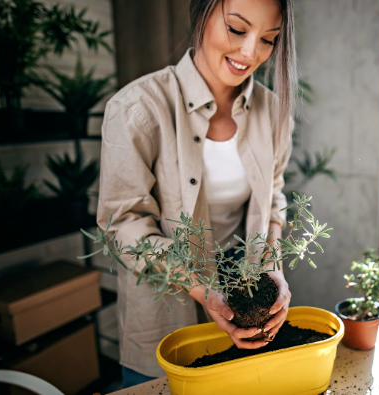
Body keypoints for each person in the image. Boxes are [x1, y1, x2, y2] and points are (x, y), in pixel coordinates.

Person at [96, 0, 297, 388]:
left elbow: (273, 196)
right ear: (201, 14)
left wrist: (272, 265)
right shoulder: (137, 108)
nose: (251, 52)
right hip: (163, 319)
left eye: (269, 39)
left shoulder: (273, 112)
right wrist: (202, 290)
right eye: (237, 30)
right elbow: (122, 225)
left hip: (243, 313)